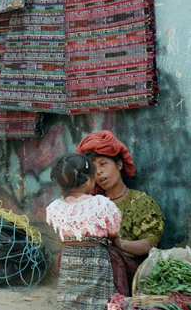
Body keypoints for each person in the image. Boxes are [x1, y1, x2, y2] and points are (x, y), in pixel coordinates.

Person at [76, 130, 165, 296]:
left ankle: (117, 303)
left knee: (109, 254)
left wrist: (119, 244)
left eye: (103, 164)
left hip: (134, 271)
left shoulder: (140, 202)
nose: (99, 172)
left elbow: (149, 244)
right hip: (98, 270)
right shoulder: (92, 204)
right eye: (94, 168)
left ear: (119, 164)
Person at [47, 153, 122, 310]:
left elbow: (62, 235)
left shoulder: (55, 207)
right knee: (98, 297)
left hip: (69, 260)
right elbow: (114, 231)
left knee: (70, 294)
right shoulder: (102, 204)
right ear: (88, 180)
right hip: (96, 261)